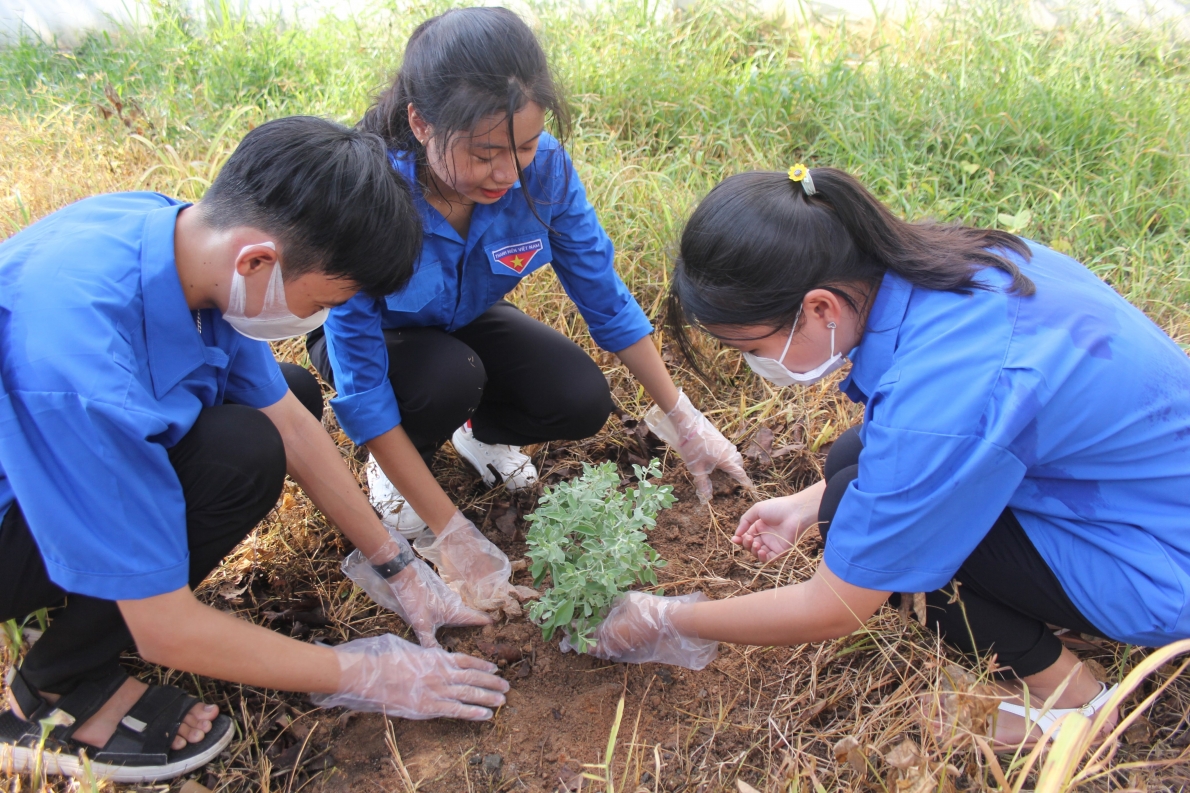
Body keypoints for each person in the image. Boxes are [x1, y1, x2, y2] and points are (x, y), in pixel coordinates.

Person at [582, 165, 1190, 749]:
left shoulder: (945, 399)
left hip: (1159, 566)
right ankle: (1052, 608)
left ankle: (1073, 701)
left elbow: (833, 608)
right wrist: (803, 504)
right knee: (849, 463)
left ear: (821, 308)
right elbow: (926, 445)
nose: (754, 365)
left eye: (751, 346)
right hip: (1137, 496)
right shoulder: (947, 266)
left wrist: (669, 618)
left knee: (868, 525)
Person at [0, 116, 510, 784]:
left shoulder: (183, 240)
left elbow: (291, 423)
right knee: (241, 451)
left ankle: (84, 589)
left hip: (45, 457)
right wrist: (364, 671)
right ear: (258, 261)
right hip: (20, 500)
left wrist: (399, 565)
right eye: (329, 299)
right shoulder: (82, 368)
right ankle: (51, 690)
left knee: (285, 400)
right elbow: (165, 629)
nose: (325, 317)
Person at [307, 7, 751, 610]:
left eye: (523, 146)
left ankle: (479, 436)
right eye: (485, 153)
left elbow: (604, 296)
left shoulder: (546, 175)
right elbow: (358, 377)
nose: (506, 174)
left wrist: (684, 418)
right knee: (445, 377)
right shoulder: (372, 195)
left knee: (579, 398)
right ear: (420, 122)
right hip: (381, 344)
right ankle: (398, 465)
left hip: (459, 323)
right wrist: (452, 531)